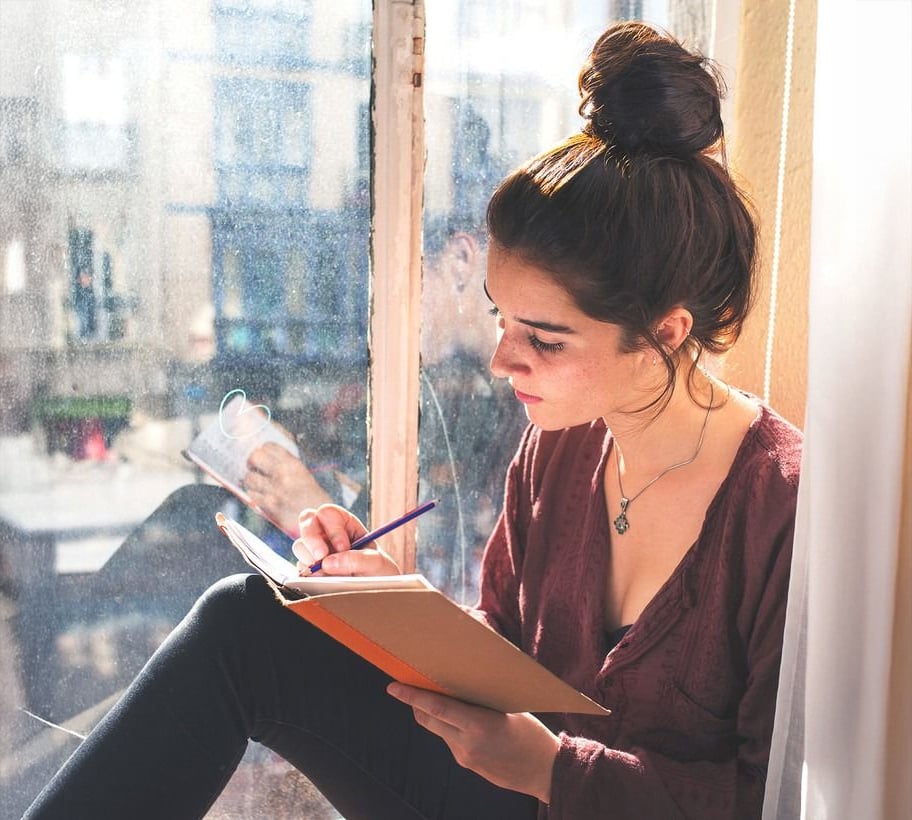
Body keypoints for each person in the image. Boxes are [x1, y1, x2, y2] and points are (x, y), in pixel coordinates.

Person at [24, 22, 801, 819]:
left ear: (665, 333)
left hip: (559, 798)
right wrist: (392, 609)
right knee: (245, 621)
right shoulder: (560, 451)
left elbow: (771, 798)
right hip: (512, 795)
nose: (502, 360)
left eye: (543, 339)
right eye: (500, 318)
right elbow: (503, 654)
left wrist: (553, 771)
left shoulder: (781, 507)